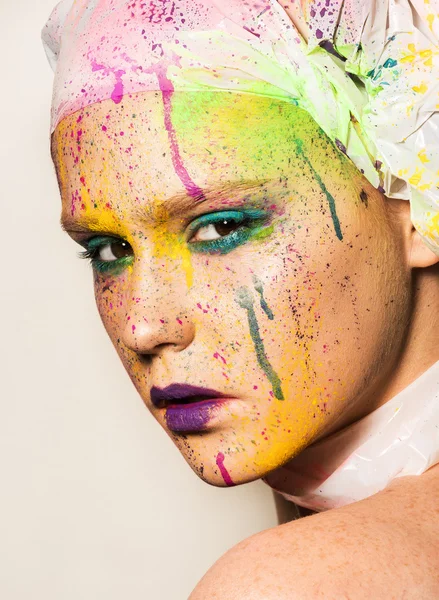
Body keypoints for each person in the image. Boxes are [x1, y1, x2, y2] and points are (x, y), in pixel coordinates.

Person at [43, 1, 439, 597]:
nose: (143, 326)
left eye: (221, 228)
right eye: (107, 250)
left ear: (416, 198)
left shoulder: (293, 584)